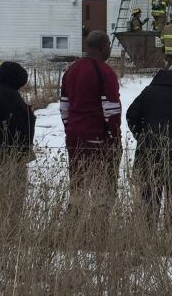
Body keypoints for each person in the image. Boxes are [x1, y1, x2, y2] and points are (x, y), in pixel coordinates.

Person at [126, 55, 172, 226]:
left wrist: (143, 135)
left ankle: (147, 228)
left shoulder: (149, 90)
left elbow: (131, 114)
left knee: (150, 190)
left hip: (150, 147)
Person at [60, 30, 122, 213]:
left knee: (77, 184)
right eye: (109, 45)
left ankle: (73, 228)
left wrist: (70, 128)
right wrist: (113, 135)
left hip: (74, 137)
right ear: (102, 47)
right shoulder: (104, 71)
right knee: (102, 187)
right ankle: (99, 230)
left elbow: (64, 106)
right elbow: (111, 108)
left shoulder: (71, 69)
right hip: (97, 138)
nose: (110, 49)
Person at [0, 61, 36, 224]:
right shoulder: (9, 94)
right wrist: (28, 113)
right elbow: (17, 122)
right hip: (9, 149)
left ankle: (0, 221)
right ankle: (9, 223)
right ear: (15, 78)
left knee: (5, 186)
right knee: (15, 188)